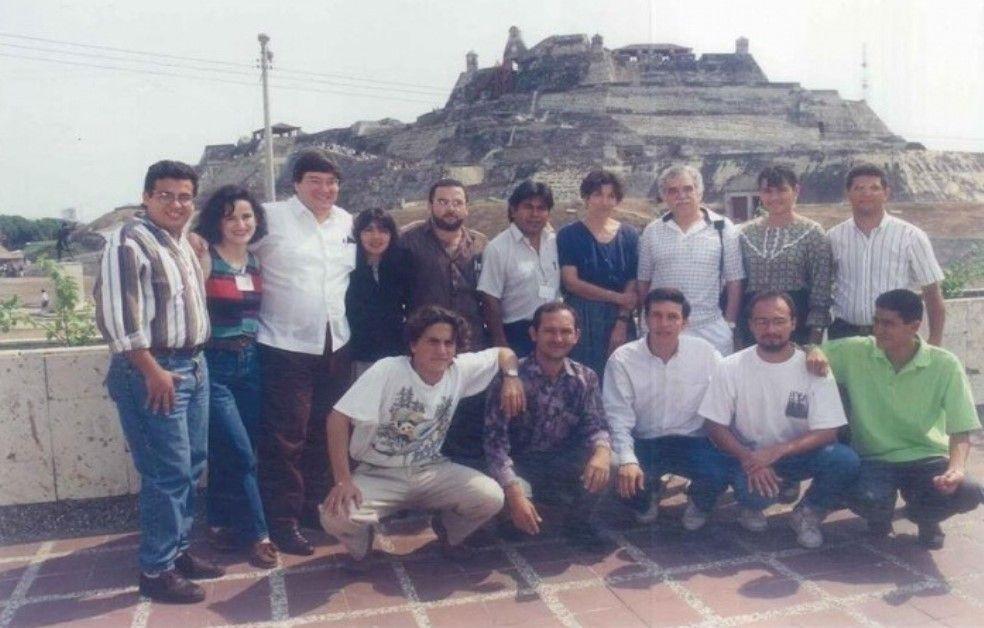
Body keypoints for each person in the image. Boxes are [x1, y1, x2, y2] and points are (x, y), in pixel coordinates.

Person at [95, 160, 222, 603]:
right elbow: (119, 319)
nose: (176, 203)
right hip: (153, 370)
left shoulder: (181, 239)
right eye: (165, 195)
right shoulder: (128, 242)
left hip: (193, 364)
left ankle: (178, 551)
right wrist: (153, 372)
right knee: (167, 473)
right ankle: (156, 570)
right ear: (147, 197)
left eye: (185, 196)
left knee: (190, 466)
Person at [319, 305, 524, 567]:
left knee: (491, 496)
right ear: (414, 344)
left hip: (431, 469)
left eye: (449, 343)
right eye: (433, 342)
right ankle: (362, 547)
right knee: (335, 516)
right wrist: (343, 480)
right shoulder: (388, 370)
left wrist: (511, 377)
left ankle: (449, 533)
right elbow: (337, 418)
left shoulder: (458, 369)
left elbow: (504, 354)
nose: (442, 350)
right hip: (378, 472)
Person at [251, 149, 355, 555]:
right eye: (315, 180)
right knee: (285, 438)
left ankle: (316, 507)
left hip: (335, 342)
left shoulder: (346, 221)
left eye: (331, 182)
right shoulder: (270, 217)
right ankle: (282, 522)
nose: (324, 189)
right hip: (285, 344)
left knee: (325, 431)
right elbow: (227, 239)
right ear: (296, 183)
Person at [821, 289, 982, 548]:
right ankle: (879, 514)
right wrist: (811, 353)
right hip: (875, 458)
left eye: (888, 323)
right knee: (867, 497)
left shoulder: (944, 364)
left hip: (926, 456)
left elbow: (961, 428)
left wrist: (956, 469)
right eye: (876, 320)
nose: (878, 329)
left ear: (914, 326)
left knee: (969, 492)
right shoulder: (855, 351)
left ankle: (925, 517)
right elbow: (803, 352)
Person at [699, 291, 860, 548]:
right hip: (751, 456)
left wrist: (778, 450)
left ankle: (807, 512)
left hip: (797, 452)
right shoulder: (730, 366)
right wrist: (749, 458)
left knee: (844, 460)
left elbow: (829, 430)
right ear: (750, 324)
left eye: (779, 321)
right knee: (755, 497)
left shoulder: (814, 367)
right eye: (761, 321)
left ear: (794, 323)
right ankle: (750, 507)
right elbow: (714, 425)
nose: (770, 329)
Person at [193, 184, 277, 569]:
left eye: (246, 216)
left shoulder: (256, 262)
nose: (240, 224)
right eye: (230, 217)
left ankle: (219, 521)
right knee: (242, 454)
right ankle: (257, 535)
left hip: (251, 362)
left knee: (235, 450)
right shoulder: (206, 257)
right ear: (217, 222)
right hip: (216, 365)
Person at [483, 302, 612, 547]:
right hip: (518, 464)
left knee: (610, 463)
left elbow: (596, 425)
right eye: (550, 331)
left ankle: (578, 523)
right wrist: (513, 491)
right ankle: (515, 513)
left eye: (565, 332)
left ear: (576, 336)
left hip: (560, 462)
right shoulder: (510, 379)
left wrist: (603, 451)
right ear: (534, 334)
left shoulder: (586, 377)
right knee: (508, 512)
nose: (558, 338)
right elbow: (494, 444)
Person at [604, 288, 727, 531]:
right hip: (646, 441)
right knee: (618, 469)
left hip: (692, 441)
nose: (664, 323)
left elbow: (738, 378)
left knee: (722, 468)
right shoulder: (623, 359)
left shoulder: (705, 353)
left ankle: (700, 501)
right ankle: (647, 495)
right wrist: (628, 460)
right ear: (644, 319)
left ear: (685, 323)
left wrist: (808, 351)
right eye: (657, 315)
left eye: (673, 317)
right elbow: (617, 417)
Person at [401, 179, 490, 467]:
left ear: (466, 207)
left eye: (457, 202)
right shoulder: (409, 242)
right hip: (426, 351)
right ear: (430, 205)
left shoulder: (481, 244)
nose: (450, 209)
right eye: (443, 202)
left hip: (470, 348)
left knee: (467, 422)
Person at [828, 163, 946, 345]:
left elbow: (931, 292)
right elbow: (822, 288)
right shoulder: (833, 237)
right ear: (848, 193)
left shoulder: (911, 236)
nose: (867, 194)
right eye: (859, 188)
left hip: (894, 335)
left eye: (874, 188)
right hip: (844, 335)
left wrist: (935, 341)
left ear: (886, 193)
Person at [637, 164, 744, 356]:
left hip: (709, 328)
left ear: (699, 192)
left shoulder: (723, 228)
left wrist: (730, 323)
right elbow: (644, 281)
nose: (682, 195)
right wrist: (646, 323)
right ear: (664, 196)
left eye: (688, 189)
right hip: (664, 329)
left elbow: (735, 280)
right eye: (673, 191)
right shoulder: (652, 231)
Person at [737, 165, 832, 347]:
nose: (774, 197)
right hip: (754, 325)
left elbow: (821, 290)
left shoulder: (813, 233)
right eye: (767, 191)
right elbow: (738, 284)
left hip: (797, 324)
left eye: (781, 190)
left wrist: (814, 343)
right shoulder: (744, 234)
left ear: (796, 190)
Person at [557, 170, 639, 378]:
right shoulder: (569, 235)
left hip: (620, 317)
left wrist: (622, 320)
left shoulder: (629, 235)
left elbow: (632, 280)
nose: (604, 201)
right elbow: (571, 282)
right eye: (598, 195)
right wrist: (617, 297)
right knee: (584, 377)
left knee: (621, 377)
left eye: (611, 196)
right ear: (586, 198)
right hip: (583, 318)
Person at [478, 180, 560, 358]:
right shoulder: (498, 248)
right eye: (528, 207)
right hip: (517, 334)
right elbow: (490, 299)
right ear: (514, 210)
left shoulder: (555, 242)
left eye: (541, 208)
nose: (535, 214)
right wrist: (502, 346)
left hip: (554, 333)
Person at [345, 207, 413, 379]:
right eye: (368, 230)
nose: (376, 237)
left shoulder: (403, 263)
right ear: (358, 234)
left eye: (383, 230)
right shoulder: (346, 266)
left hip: (397, 354)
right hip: (359, 355)